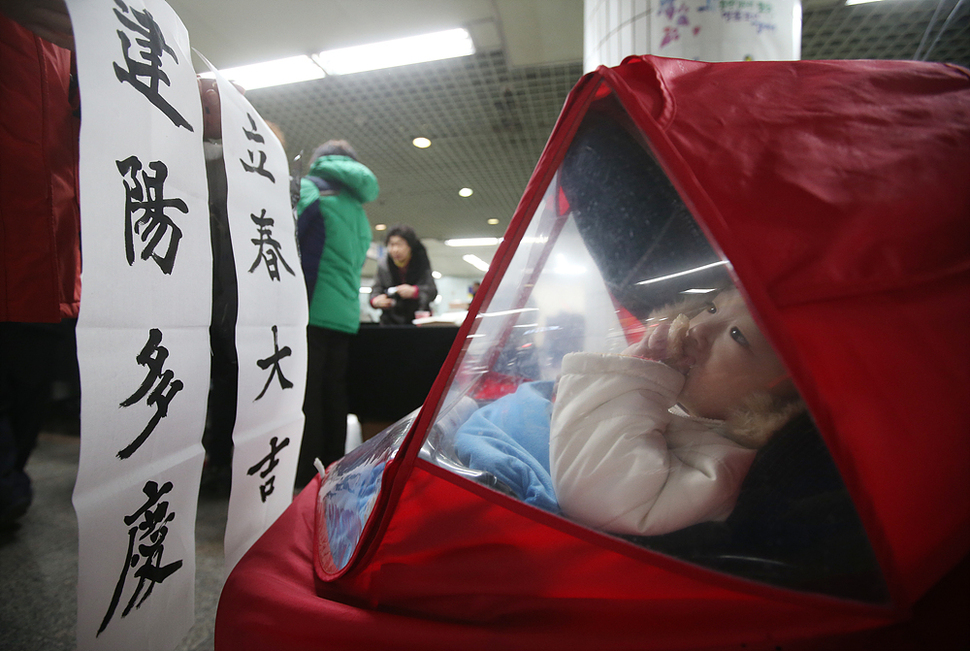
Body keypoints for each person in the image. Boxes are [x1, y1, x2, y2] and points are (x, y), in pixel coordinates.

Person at [549, 287, 804, 536]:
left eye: (738, 335)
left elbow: (597, 495)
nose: (698, 328)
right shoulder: (676, 405)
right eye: (711, 308)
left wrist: (634, 373)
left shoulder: (718, 467)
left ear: (778, 400)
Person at [295, 140, 378, 486]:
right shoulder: (358, 209)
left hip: (311, 309)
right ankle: (331, 468)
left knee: (308, 392)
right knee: (334, 391)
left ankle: (303, 472)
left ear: (319, 161)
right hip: (344, 315)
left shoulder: (309, 189)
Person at [369, 225, 437, 325]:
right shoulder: (384, 265)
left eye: (399, 244)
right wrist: (376, 301)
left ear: (410, 246)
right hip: (390, 322)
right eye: (391, 245)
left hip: (418, 321)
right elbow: (375, 291)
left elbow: (432, 291)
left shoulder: (421, 262)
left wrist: (415, 292)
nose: (395, 249)